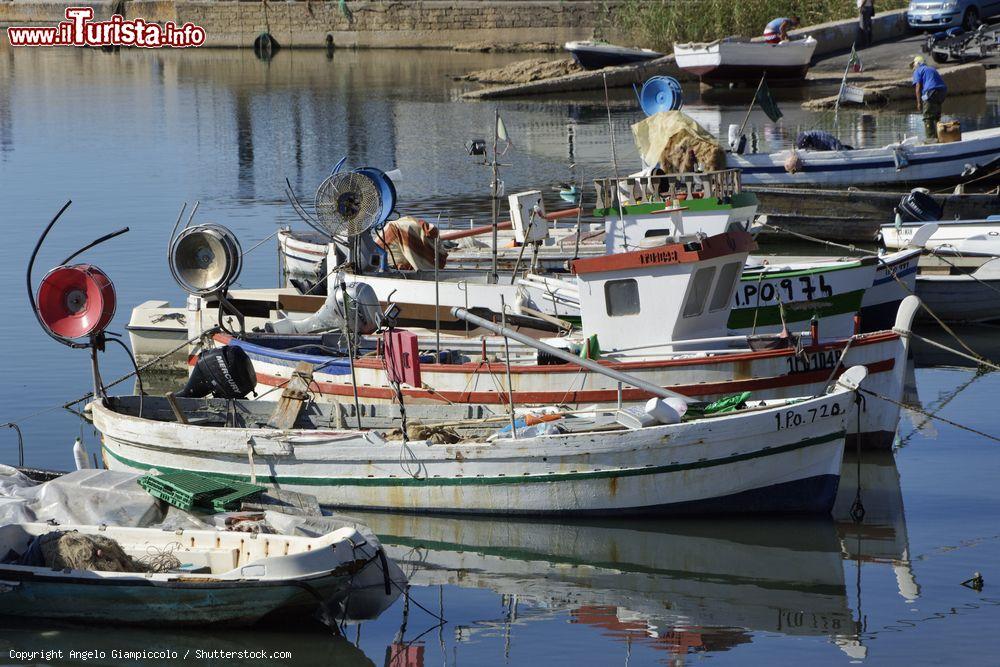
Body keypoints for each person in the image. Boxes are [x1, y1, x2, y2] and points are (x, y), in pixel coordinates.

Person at [911, 55, 947, 141]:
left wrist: (919, 102)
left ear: (917, 64)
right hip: (942, 92)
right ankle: (940, 137)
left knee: (928, 117)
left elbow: (918, 87)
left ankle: (931, 139)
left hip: (931, 91)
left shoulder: (918, 70)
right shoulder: (931, 68)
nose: (913, 67)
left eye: (914, 65)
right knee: (936, 116)